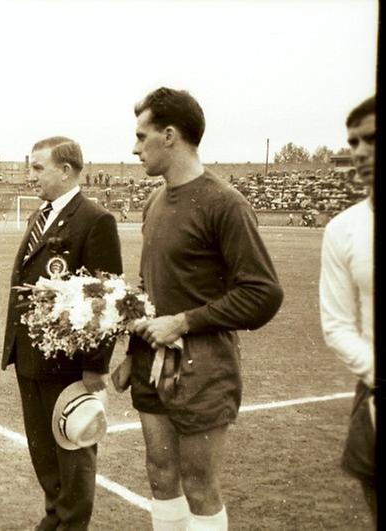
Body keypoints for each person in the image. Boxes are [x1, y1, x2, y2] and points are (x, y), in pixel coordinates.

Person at [118, 87, 283, 530]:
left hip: (203, 369)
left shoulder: (224, 203)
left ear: (169, 135)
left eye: (141, 135)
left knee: (199, 485)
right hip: (150, 365)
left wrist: (185, 321)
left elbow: (264, 293)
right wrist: (131, 331)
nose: (134, 148)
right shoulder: (154, 202)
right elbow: (150, 284)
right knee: (160, 476)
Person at [1, 136, 122, 530]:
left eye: (38, 167)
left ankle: (71, 524)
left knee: (72, 449)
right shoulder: (42, 216)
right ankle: (55, 516)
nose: (29, 174)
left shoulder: (95, 219)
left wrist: (94, 367)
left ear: (66, 171)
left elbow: (107, 297)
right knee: (43, 450)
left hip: (67, 364)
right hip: (30, 355)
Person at [319, 95, 375, 521]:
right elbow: (337, 324)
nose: (359, 153)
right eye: (353, 142)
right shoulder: (344, 228)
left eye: (371, 140)